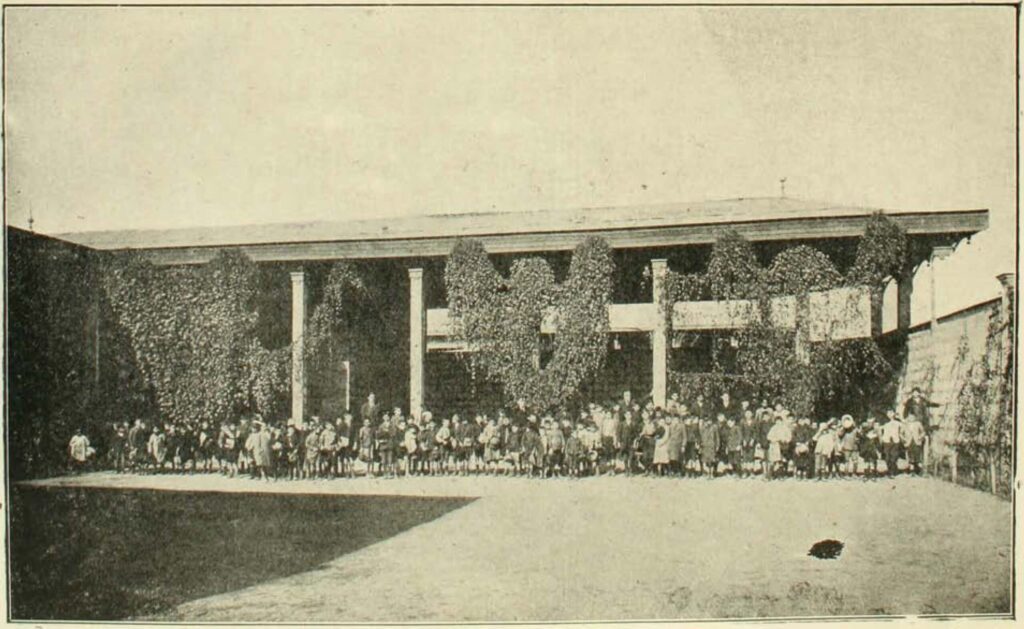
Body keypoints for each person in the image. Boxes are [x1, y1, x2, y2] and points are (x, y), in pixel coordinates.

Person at [880, 410, 903, 477]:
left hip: (895, 441)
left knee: (894, 457)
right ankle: (890, 470)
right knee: (887, 457)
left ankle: (892, 472)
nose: (890, 415)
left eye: (891, 413)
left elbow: (903, 428)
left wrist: (901, 436)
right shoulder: (884, 422)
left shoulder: (898, 423)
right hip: (886, 441)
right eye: (889, 414)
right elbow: (879, 429)